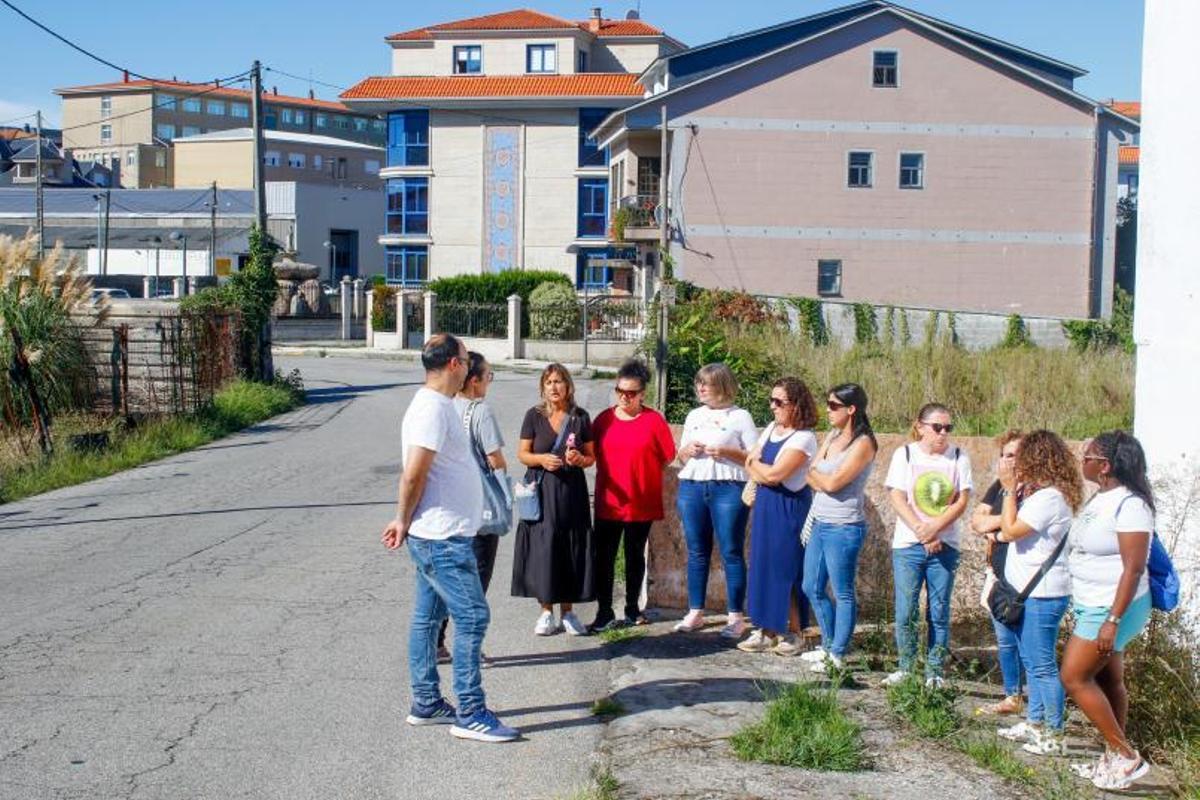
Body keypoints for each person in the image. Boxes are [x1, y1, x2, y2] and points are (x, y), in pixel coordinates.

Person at [381, 334, 518, 743]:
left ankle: (426, 702)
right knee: (473, 616)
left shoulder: (439, 406)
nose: (472, 369)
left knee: (428, 619)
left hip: (438, 533)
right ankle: (471, 711)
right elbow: (414, 473)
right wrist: (401, 518)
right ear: (455, 365)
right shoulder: (432, 410)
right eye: (466, 360)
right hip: (442, 538)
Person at [1059, 432, 1154, 790]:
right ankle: (1114, 760)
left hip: (1113, 606)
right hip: (1093, 602)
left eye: (1089, 456)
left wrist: (1112, 621)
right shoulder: (1103, 497)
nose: (1082, 459)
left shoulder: (1130, 505)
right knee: (1107, 679)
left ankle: (1126, 755)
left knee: (1073, 677)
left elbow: (1133, 568)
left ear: (1106, 466)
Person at [992, 429, 1082, 757]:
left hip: (1042, 595)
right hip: (1031, 591)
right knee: (1032, 660)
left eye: (1023, 457)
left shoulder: (1049, 499)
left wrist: (1006, 492)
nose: (1016, 463)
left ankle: (1054, 734)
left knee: (1042, 665)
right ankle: (1035, 721)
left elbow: (1010, 530)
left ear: (1037, 459)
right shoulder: (1045, 494)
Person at [883, 402, 973, 689]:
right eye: (937, 427)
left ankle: (935, 672)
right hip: (909, 544)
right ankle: (906, 667)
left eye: (948, 428)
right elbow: (897, 496)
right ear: (920, 426)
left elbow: (961, 500)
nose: (943, 433)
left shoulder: (958, 457)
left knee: (939, 608)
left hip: (945, 545)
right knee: (906, 608)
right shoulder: (905, 454)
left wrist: (935, 528)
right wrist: (923, 531)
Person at [673, 363, 759, 639]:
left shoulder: (741, 416)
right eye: (698, 383)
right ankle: (695, 611)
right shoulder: (693, 415)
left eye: (706, 384)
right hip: (693, 486)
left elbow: (754, 457)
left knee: (731, 551)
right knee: (697, 551)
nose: (700, 388)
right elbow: (681, 456)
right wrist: (688, 450)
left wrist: (726, 451)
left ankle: (735, 616)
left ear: (722, 386)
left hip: (729, 487)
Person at [590, 359, 676, 632]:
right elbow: (591, 455)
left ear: (642, 394)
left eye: (631, 393)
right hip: (609, 502)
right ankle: (603, 611)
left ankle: (631, 608)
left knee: (634, 555)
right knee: (604, 557)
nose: (625, 398)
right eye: (620, 391)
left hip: (641, 502)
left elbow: (667, 456)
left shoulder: (653, 421)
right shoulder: (603, 420)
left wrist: (643, 476)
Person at [511, 363, 596, 636]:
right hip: (542, 490)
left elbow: (591, 457)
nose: (554, 387)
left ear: (568, 386)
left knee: (570, 548)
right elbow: (522, 454)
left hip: (572, 492)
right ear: (543, 388)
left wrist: (579, 459)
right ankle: (546, 611)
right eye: (549, 382)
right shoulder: (533, 416)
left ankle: (568, 612)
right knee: (545, 548)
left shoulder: (580, 417)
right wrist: (541, 459)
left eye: (559, 381)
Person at [435, 352, 508, 664]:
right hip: (480, 512)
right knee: (476, 585)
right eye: (488, 376)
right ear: (474, 381)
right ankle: (470, 648)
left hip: (449, 509)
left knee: (448, 581)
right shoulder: (481, 411)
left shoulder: (445, 407)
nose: (489, 382)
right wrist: (507, 497)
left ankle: (437, 642)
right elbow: (495, 459)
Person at [801, 383, 878, 674]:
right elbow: (810, 472)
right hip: (820, 520)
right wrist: (821, 478)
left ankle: (838, 653)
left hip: (844, 526)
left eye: (834, 406)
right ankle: (828, 643)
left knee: (843, 592)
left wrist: (820, 479)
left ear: (851, 409)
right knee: (811, 586)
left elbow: (833, 483)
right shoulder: (832, 437)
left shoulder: (864, 443)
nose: (828, 411)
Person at [738, 378, 819, 655]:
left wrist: (757, 467)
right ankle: (766, 629)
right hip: (766, 505)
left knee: (787, 569)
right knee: (763, 565)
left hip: (789, 508)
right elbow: (752, 463)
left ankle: (795, 632)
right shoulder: (772, 428)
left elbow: (774, 475)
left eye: (779, 402)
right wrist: (758, 468)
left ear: (795, 405)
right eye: (771, 400)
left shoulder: (804, 438)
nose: (772, 407)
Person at [969, 430, 1026, 716]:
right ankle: (1012, 696)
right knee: (1004, 639)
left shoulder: (1034, 490)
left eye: (1015, 454)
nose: (1009, 461)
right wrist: (999, 525)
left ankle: (1035, 705)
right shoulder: (999, 488)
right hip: (998, 573)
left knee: (1025, 641)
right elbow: (977, 522)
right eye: (1005, 455)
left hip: (1025, 577)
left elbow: (1019, 527)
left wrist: (1000, 529)